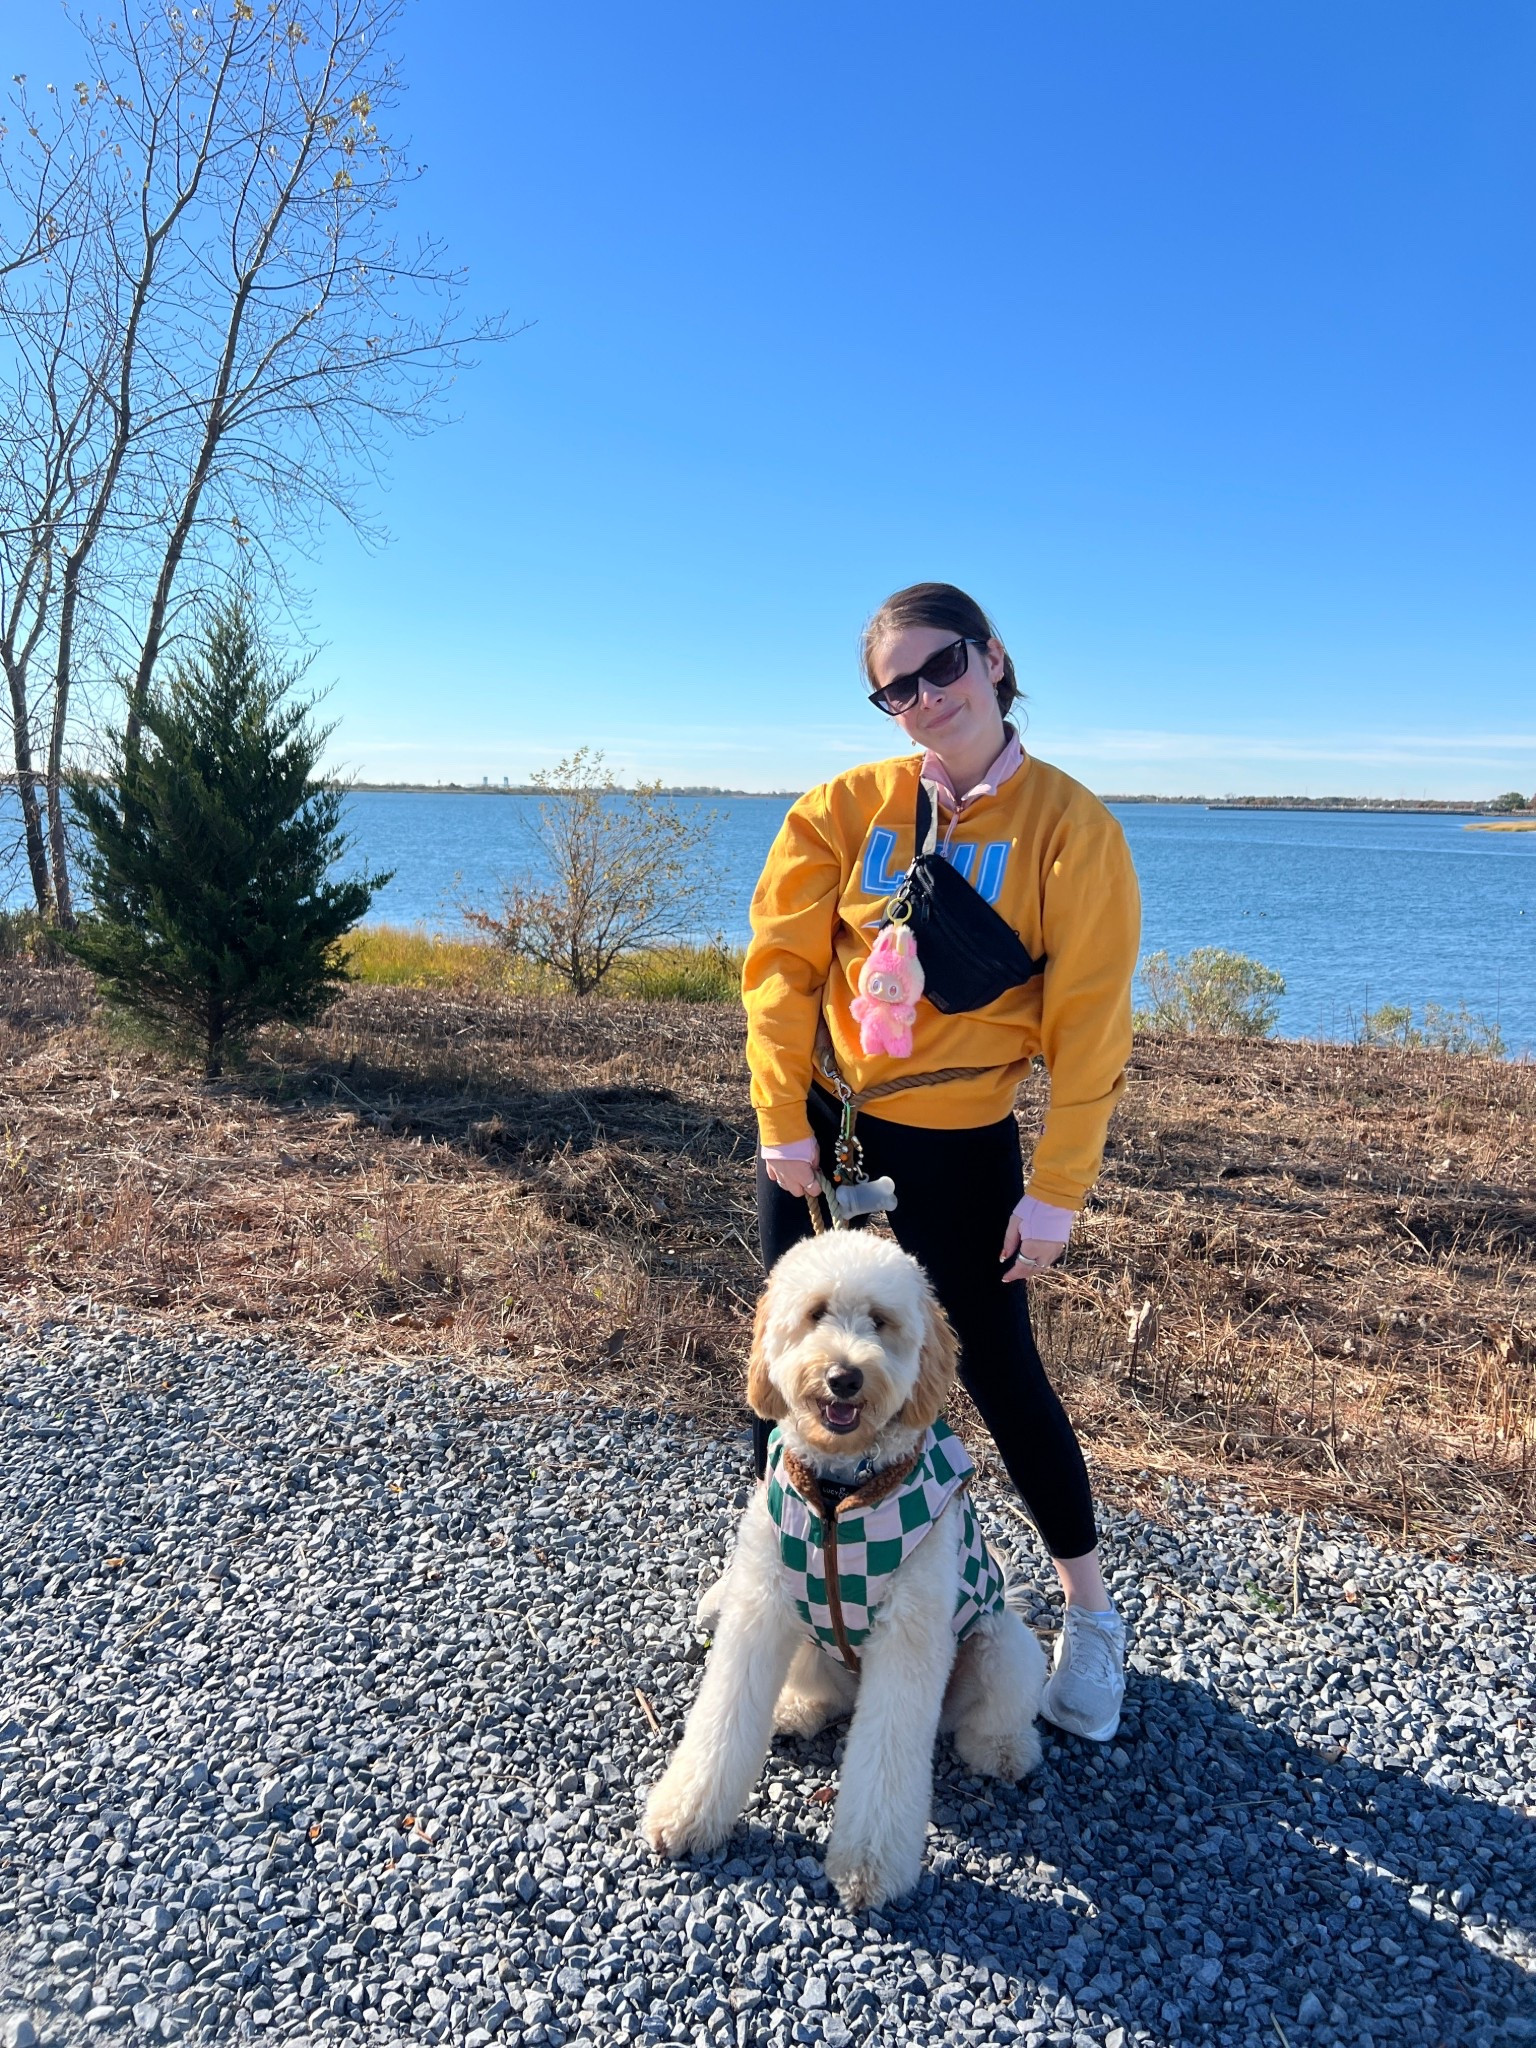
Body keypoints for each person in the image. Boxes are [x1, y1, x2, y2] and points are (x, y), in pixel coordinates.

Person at [742, 581, 1141, 1743]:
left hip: (961, 1147)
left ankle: (1090, 1613)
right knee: (789, 1359)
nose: (925, 697)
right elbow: (780, 969)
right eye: (896, 687)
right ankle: (781, 1589)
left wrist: (1057, 1186)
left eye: (943, 666)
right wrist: (780, 1114)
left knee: (1000, 1369)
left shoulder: (1071, 827)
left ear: (994, 657)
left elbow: (1090, 1025)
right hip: (826, 1132)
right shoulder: (841, 807)